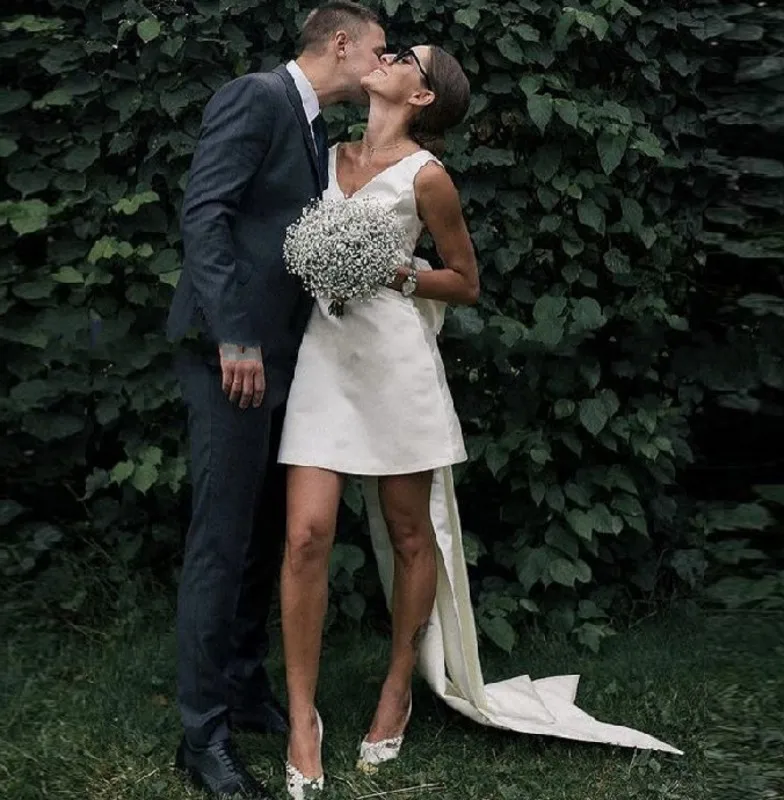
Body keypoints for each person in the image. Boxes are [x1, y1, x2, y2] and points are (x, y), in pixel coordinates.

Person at [277, 43, 682, 799]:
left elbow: (465, 282)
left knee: (408, 533)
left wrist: (393, 268)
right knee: (305, 535)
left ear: (423, 96)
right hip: (325, 361)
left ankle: (398, 683)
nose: (385, 54)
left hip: (396, 366)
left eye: (403, 57)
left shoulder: (429, 177)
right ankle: (304, 718)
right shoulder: (323, 154)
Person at [165, 4, 386, 797]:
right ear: (340, 45)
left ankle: (245, 690)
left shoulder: (311, 125)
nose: (383, 63)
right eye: (378, 50)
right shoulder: (256, 97)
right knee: (221, 544)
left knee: (261, 538)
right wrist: (234, 338)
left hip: (282, 363)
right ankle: (202, 738)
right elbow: (207, 215)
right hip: (233, 361)